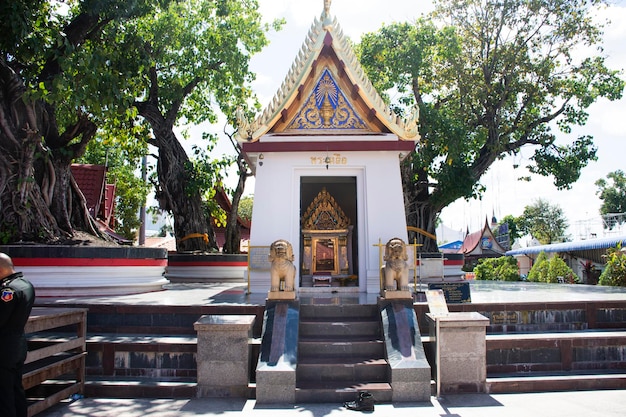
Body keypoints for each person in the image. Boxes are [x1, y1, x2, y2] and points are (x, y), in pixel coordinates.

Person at [0, 252, 35, 417]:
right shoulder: (26, 284)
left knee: (4, 394)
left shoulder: (8, 290)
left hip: (4, 347)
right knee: (16, 389)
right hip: (18, 344)